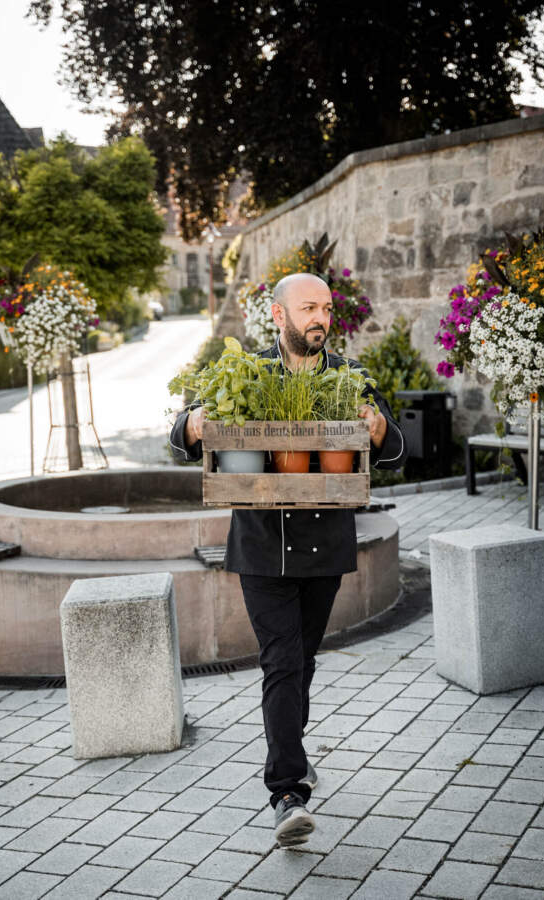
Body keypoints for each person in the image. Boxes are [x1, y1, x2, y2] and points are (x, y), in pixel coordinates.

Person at [170, 272, 407, 847]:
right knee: (281, 661)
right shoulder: (247, 375)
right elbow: (181, 435)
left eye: (326, 307)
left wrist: (377, 431)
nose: (320, 317)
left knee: (302, 661)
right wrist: (193, 425)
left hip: (326, 548)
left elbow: (395, 451)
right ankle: (286, 792)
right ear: (278, 317)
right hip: (260, 548)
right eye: (308, 308)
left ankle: (292, 756)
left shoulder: (350, 380)